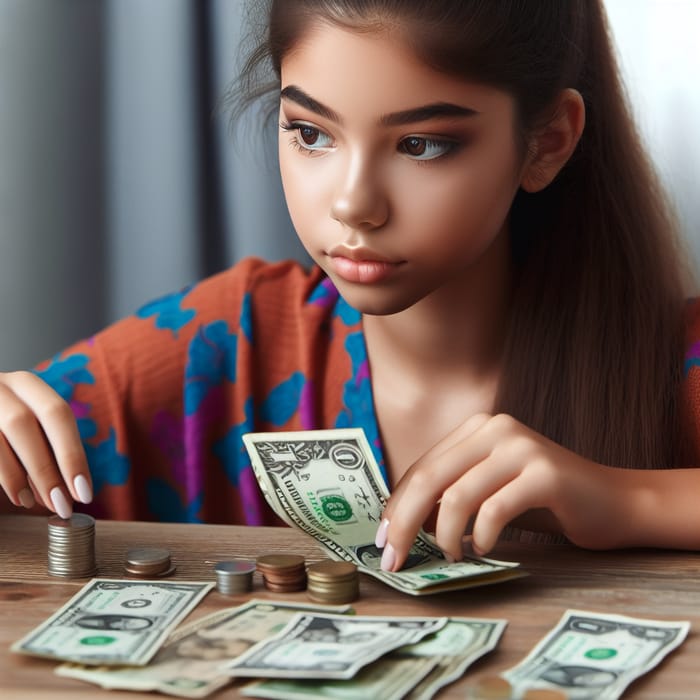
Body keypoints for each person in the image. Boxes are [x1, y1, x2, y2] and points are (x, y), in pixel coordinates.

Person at [0, 1, 699, 574]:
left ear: (547, 143)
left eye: (421, 144)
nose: (353, 204)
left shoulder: (673, 365)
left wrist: (625, 500)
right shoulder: (228, 341)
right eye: (310, 133)